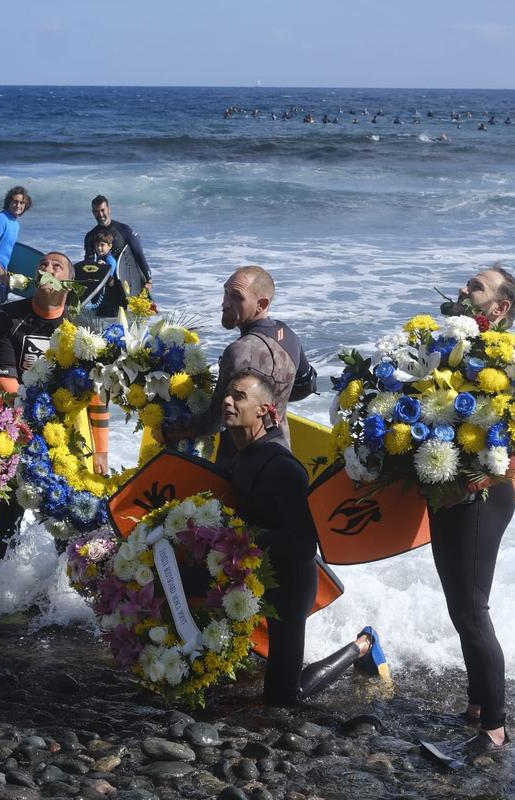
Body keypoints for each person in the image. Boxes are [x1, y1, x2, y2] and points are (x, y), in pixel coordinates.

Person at [222, 370, 381, 706]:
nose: (227, 400)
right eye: (226, 394)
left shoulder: (282, 468)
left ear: (264, 409)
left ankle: (363, 645)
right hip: (255, 575)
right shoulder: (240, 455)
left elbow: (305, 544)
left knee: (283, 698)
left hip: (290, 586)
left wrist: (247, 537)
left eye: (239, 396)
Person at [432, 264, 515, 755]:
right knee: (458, 606)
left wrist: (475, 481)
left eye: (476, 287)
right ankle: (475, 703)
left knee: (472, 609)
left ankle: (495, 724)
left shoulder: (513, 364)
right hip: (444, 491)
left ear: (499, 308)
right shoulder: (450, 350)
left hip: (481, 498)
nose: (464, 289)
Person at [0, 251, 110, 563]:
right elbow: (5, 383)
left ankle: (60, 593)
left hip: (68, 435)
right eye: (43, 265)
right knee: (8, 515)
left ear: (70, 284)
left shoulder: (84, 330)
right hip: (15, 428)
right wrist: (35, 426)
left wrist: (102, 451)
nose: (48, 269)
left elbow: (98, 393)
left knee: (66, 515)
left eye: (57, 266)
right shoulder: (6, 318)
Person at [165, 265, 316, 463]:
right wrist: (274, 400)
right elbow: (307, 385)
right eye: (226, 293)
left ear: (261, 304)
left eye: (237, 297)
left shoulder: (239, 351)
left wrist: (168, 429)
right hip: (281, 454)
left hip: (242, 463)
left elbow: (214, 421)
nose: (225, 303)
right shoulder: (288, 335)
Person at [82, 195, 151, 302]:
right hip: (108, 286)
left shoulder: (124, 230)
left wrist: (148, 280)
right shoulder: (90, 236)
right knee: (108, 318)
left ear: (109, 209)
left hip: (130, 283)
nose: (100, 214)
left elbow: (139, 255)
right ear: (92, 212)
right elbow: (89, 264)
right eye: (96, 211)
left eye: (102, 210)